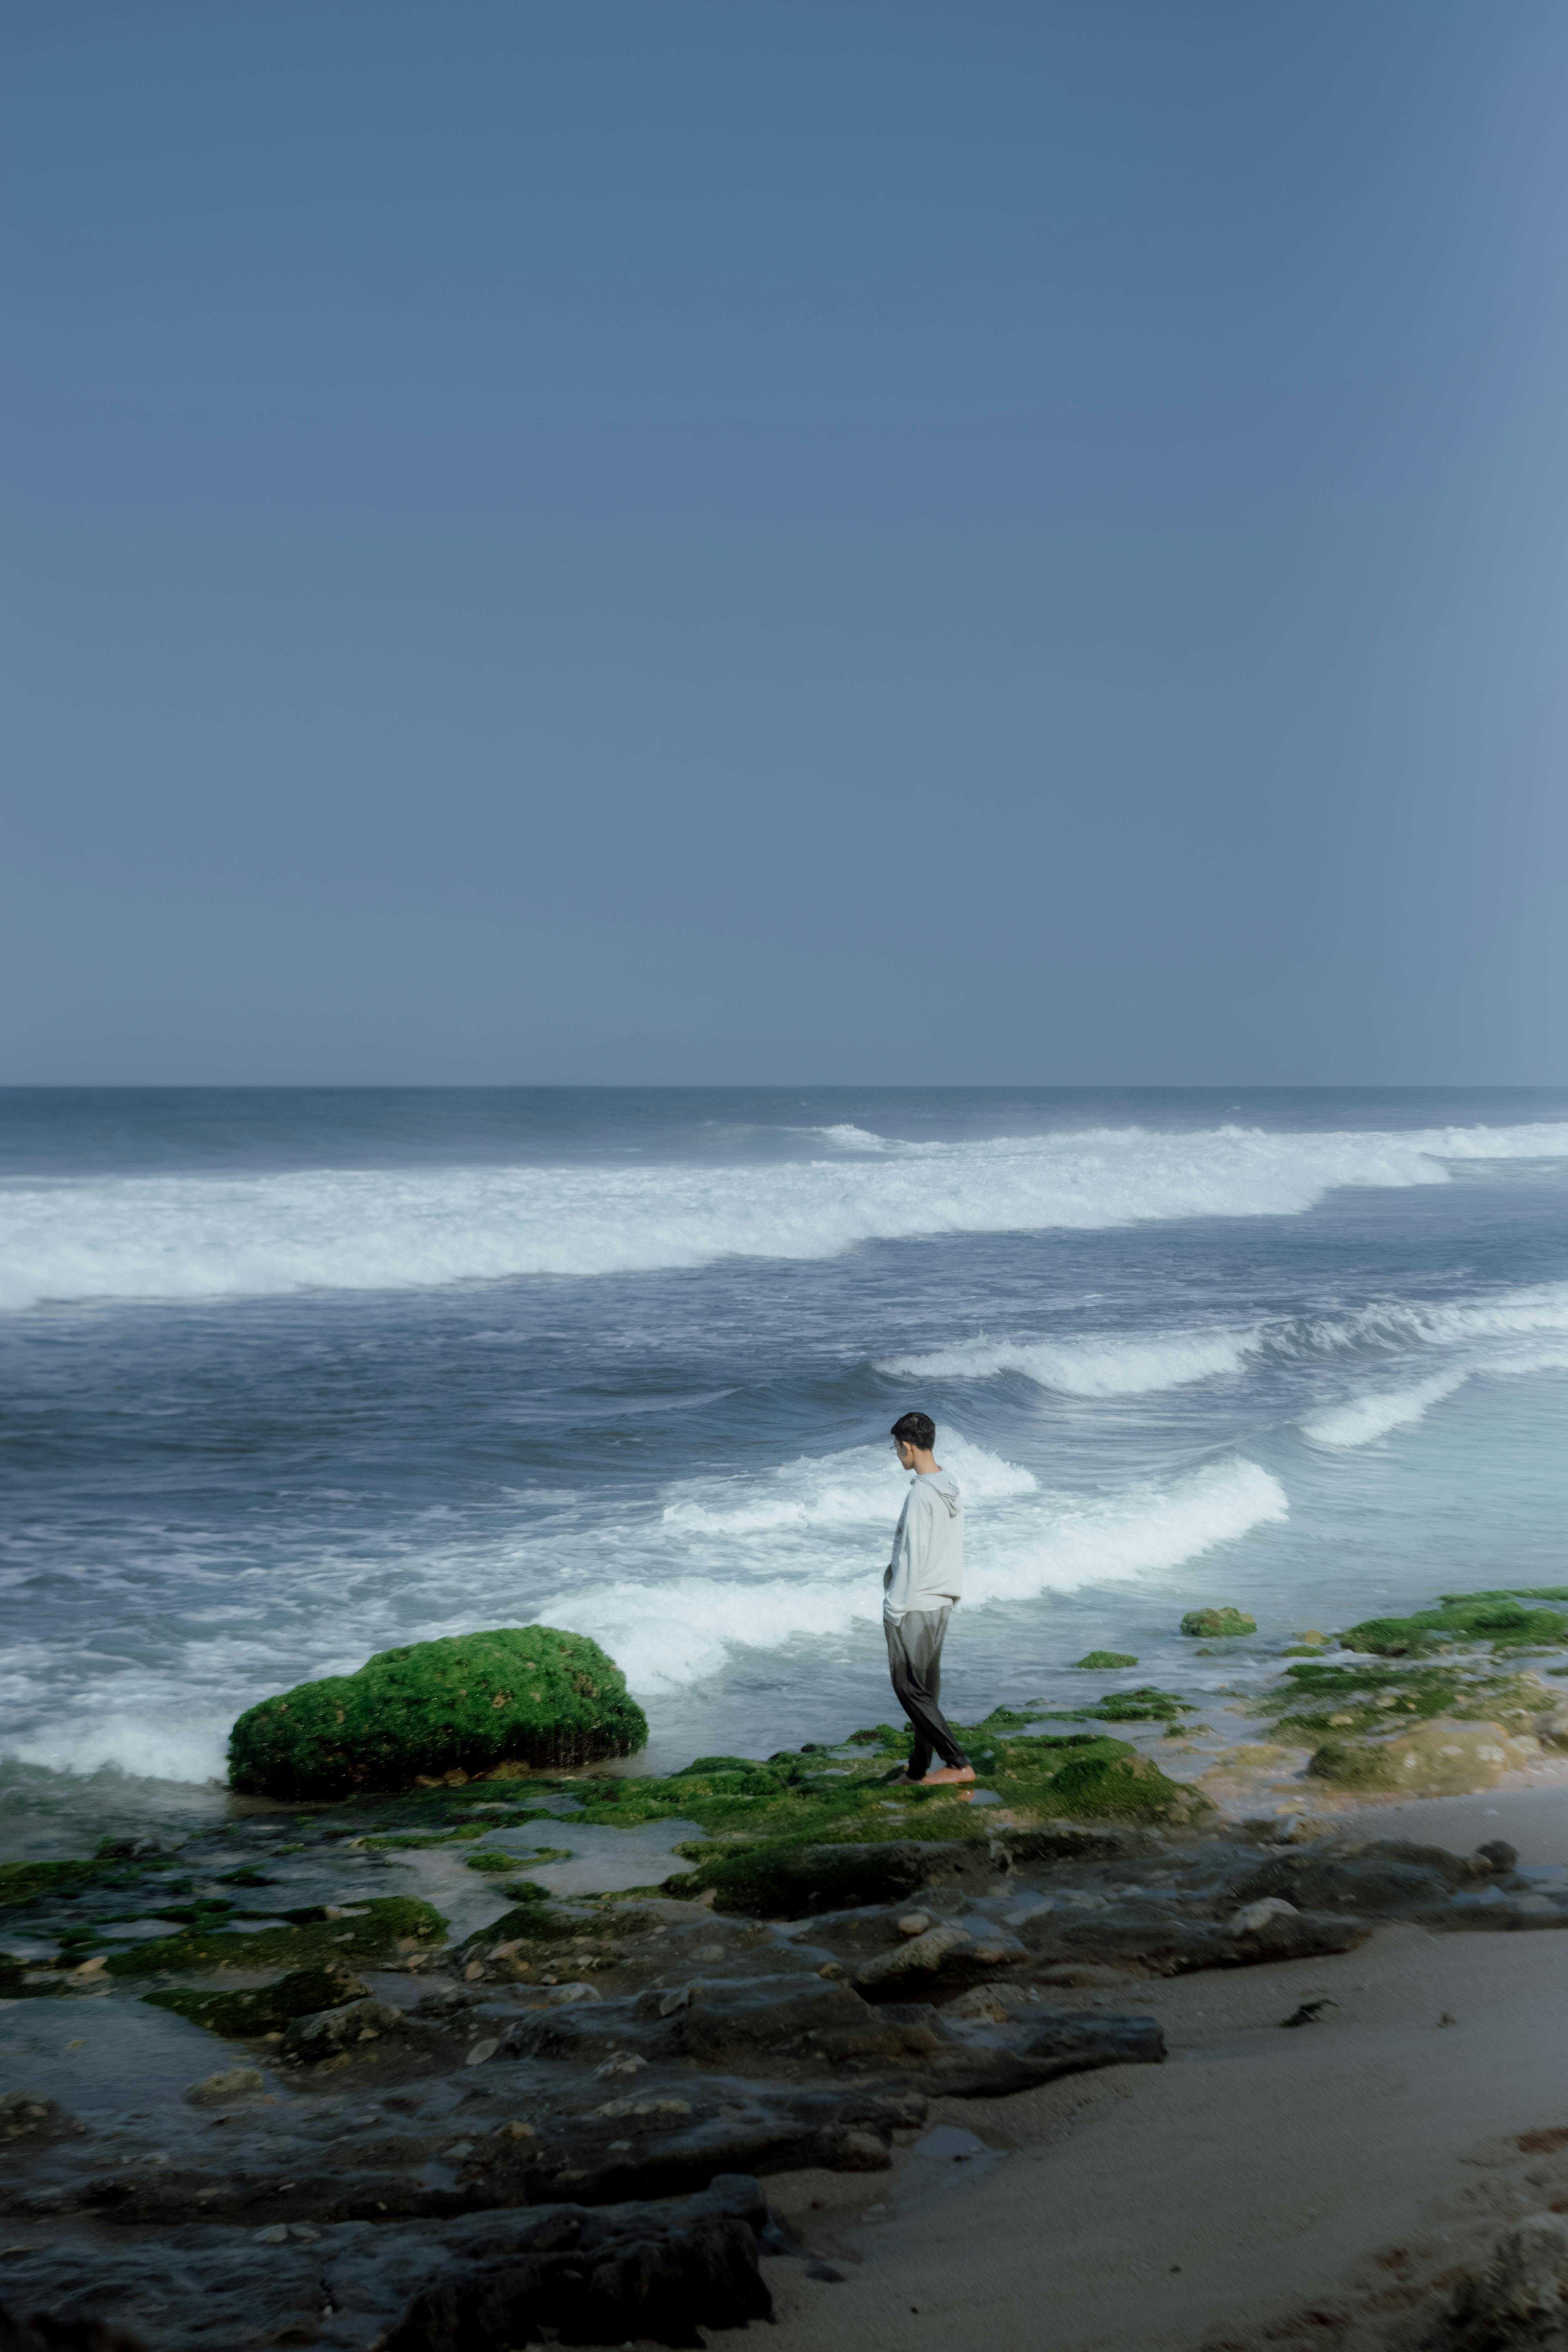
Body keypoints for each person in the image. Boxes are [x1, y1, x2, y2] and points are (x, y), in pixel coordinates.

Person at [882, 1411, 975, 1788]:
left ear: (908, 1445)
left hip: (916, 1603)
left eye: (897, 1449)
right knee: (925, 1692)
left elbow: (912, 1557)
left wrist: (893, 1608)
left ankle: (958, 1765)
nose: (897, 1456)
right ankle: (919, 1769)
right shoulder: (948, 1484)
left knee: (908, 1689)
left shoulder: (921, 1495)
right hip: (939, 1602)